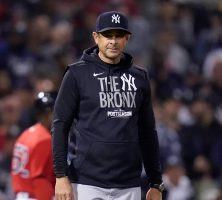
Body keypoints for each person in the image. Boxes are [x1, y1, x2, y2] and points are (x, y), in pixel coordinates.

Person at [52, 11, 164, 200]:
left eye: (118, 35)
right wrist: (61, 176)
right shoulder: (76, 74)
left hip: (128, 183)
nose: (113, 41)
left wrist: (155, 182)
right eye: (108, 35)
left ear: (127, 38)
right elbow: (60, 126)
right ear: (96, 37)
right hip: (87, 182)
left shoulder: (140, 77)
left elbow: (147, 132)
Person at [11, 92, 56, 200]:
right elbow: (39, 178)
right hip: (35, 195)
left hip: (22, 194)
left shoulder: (26, 134)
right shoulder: (44, 139)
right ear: (48, 113)